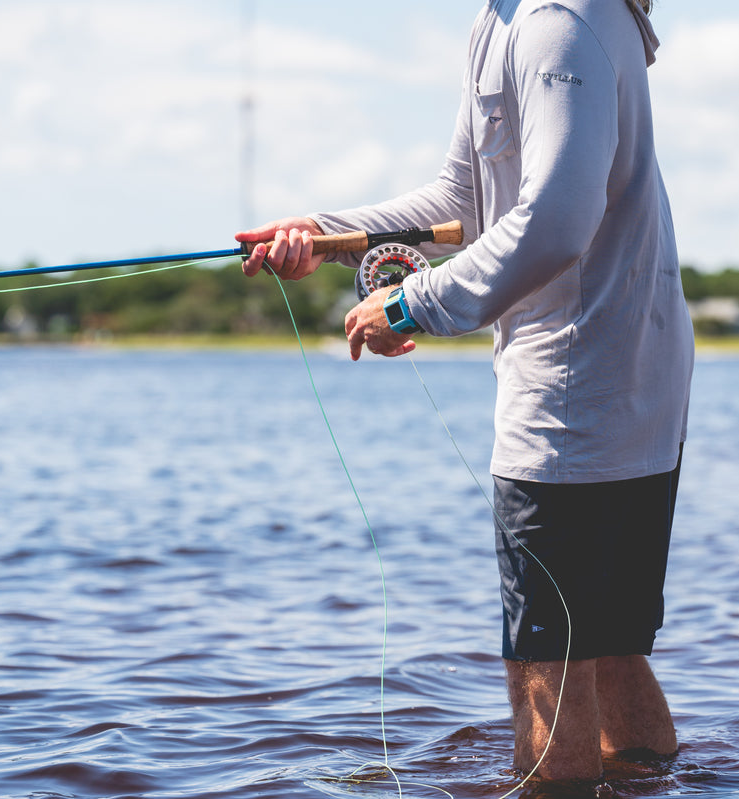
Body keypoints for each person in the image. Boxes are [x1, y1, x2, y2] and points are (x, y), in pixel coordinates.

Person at [236, 0, 692, 783]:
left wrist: (415, 304)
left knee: (547, 675)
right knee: (607, 644)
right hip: (631, 384)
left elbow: (556, 219)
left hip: (572, 400)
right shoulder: (510, 18)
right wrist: (324, 232)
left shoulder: (555, 21)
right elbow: (463, 200)